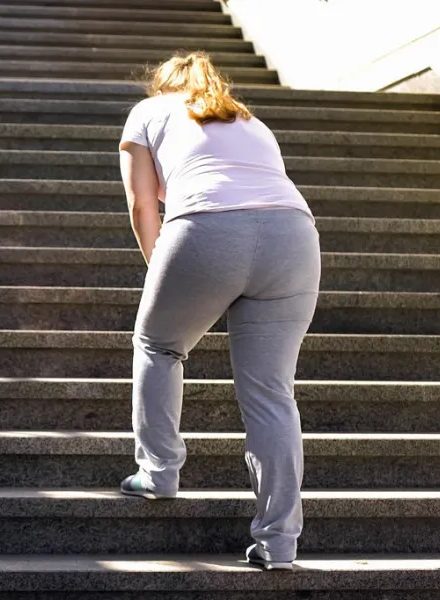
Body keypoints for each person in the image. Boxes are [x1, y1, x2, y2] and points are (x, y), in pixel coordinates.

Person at [115, 52, 321, 572]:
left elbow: (142, 204)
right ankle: (279, 542)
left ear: (162, 85)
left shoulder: (149, 110)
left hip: (208, 227)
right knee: (271, 393)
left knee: (158, 344)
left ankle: (158, 472)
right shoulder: (249, 119)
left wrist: (164, 270)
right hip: (294, 235)